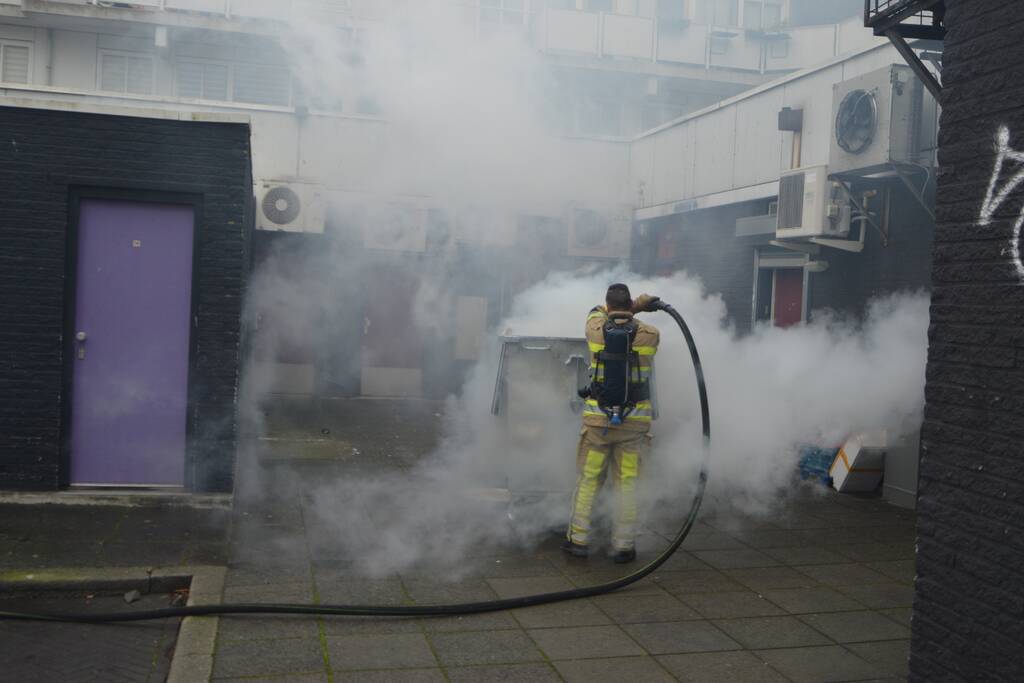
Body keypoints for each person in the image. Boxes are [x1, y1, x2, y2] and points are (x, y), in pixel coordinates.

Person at [562, 283, 660, 564]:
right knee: (628, 484)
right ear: (629, 304)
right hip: (634, 425)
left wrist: (633, 304)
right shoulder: (651, 335)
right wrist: (640, 306)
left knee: (589, 481)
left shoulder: (595, 328)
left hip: (598, 424)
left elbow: (597, 313)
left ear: (607, 303)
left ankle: (578, 541)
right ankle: (624, 546)